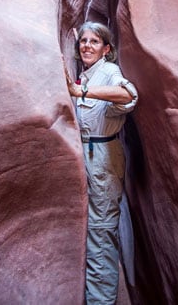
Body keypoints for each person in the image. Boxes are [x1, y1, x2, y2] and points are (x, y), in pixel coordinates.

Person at [64, 21, 138, 304]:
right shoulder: (87, 75)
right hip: (89, 156)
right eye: (83, 41)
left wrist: (81, 93)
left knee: (100, 232)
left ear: (106, 49)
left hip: (102, 160)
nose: (87, 46)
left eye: (94, 42)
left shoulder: (108, 72)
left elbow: (129, 95)